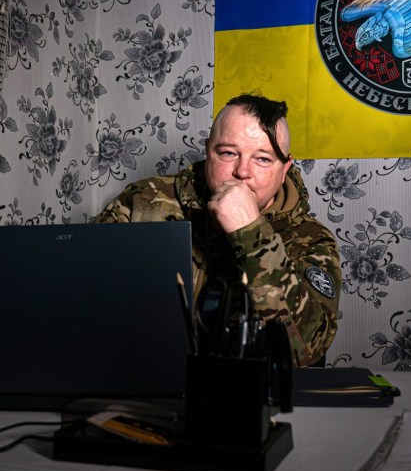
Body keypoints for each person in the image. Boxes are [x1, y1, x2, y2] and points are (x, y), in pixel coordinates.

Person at [94, 93, 341, 366]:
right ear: (208, 151)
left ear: (284, 169)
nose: (242, 171)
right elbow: (84, 296)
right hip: (144, 375)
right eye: (228, 153)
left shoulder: (311, 239)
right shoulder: (143, 200)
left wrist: (251, 232)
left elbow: (304, 351)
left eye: (262, 159)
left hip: (247, 386)